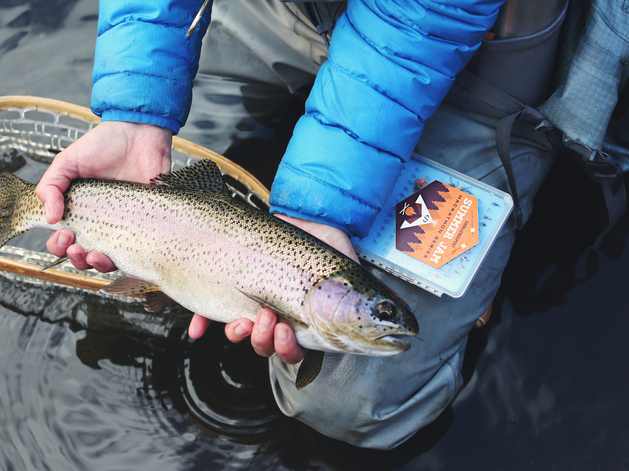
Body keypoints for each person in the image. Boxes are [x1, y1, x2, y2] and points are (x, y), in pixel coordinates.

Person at [34, 0, 561, 449]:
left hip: (462, 53)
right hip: (307, 10)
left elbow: (414, 24)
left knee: (350, 402)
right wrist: (135, 111)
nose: (381, 316)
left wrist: (318, 211)